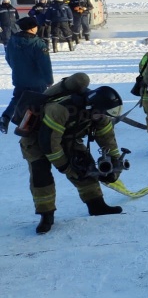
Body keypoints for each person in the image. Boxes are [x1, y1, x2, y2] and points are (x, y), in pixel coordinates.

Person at [17, 73, 126, 234]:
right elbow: (49, 144)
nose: (103, 117)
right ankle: (46, 216)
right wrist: (66, 167)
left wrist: (115, 162)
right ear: (92, 107)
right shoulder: (61, 109)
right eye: (102, 114)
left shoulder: (100, 111)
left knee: (84, 165)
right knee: (41, 176)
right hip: (37, 139)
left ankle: (96, 205)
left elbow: (106, 137)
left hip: (67, 137)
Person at [0, 17, 53, 134]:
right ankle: (32, 126)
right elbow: (45, 64)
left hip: (19, 78)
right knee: (38, 102)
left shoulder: (12, 40)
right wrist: (49, 80)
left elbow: (8, 58)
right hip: (37, 80)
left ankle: (5, 117)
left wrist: (17, 69)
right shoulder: (38, 44)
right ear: (32, 28)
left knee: (17, 99)